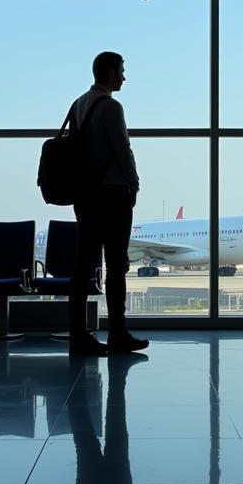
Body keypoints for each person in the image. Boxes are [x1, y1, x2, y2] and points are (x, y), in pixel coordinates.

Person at [68, 52, 148, 356]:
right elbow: (122, 149)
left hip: (85, 197)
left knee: (83, 265)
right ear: (110, 73)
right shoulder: (112, 107)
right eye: (122, 71)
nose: (124, 77)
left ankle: (78, 334)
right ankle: (118, 333)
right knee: (116, 267)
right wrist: (135, 184)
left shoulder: (78, 105)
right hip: (112, 195)